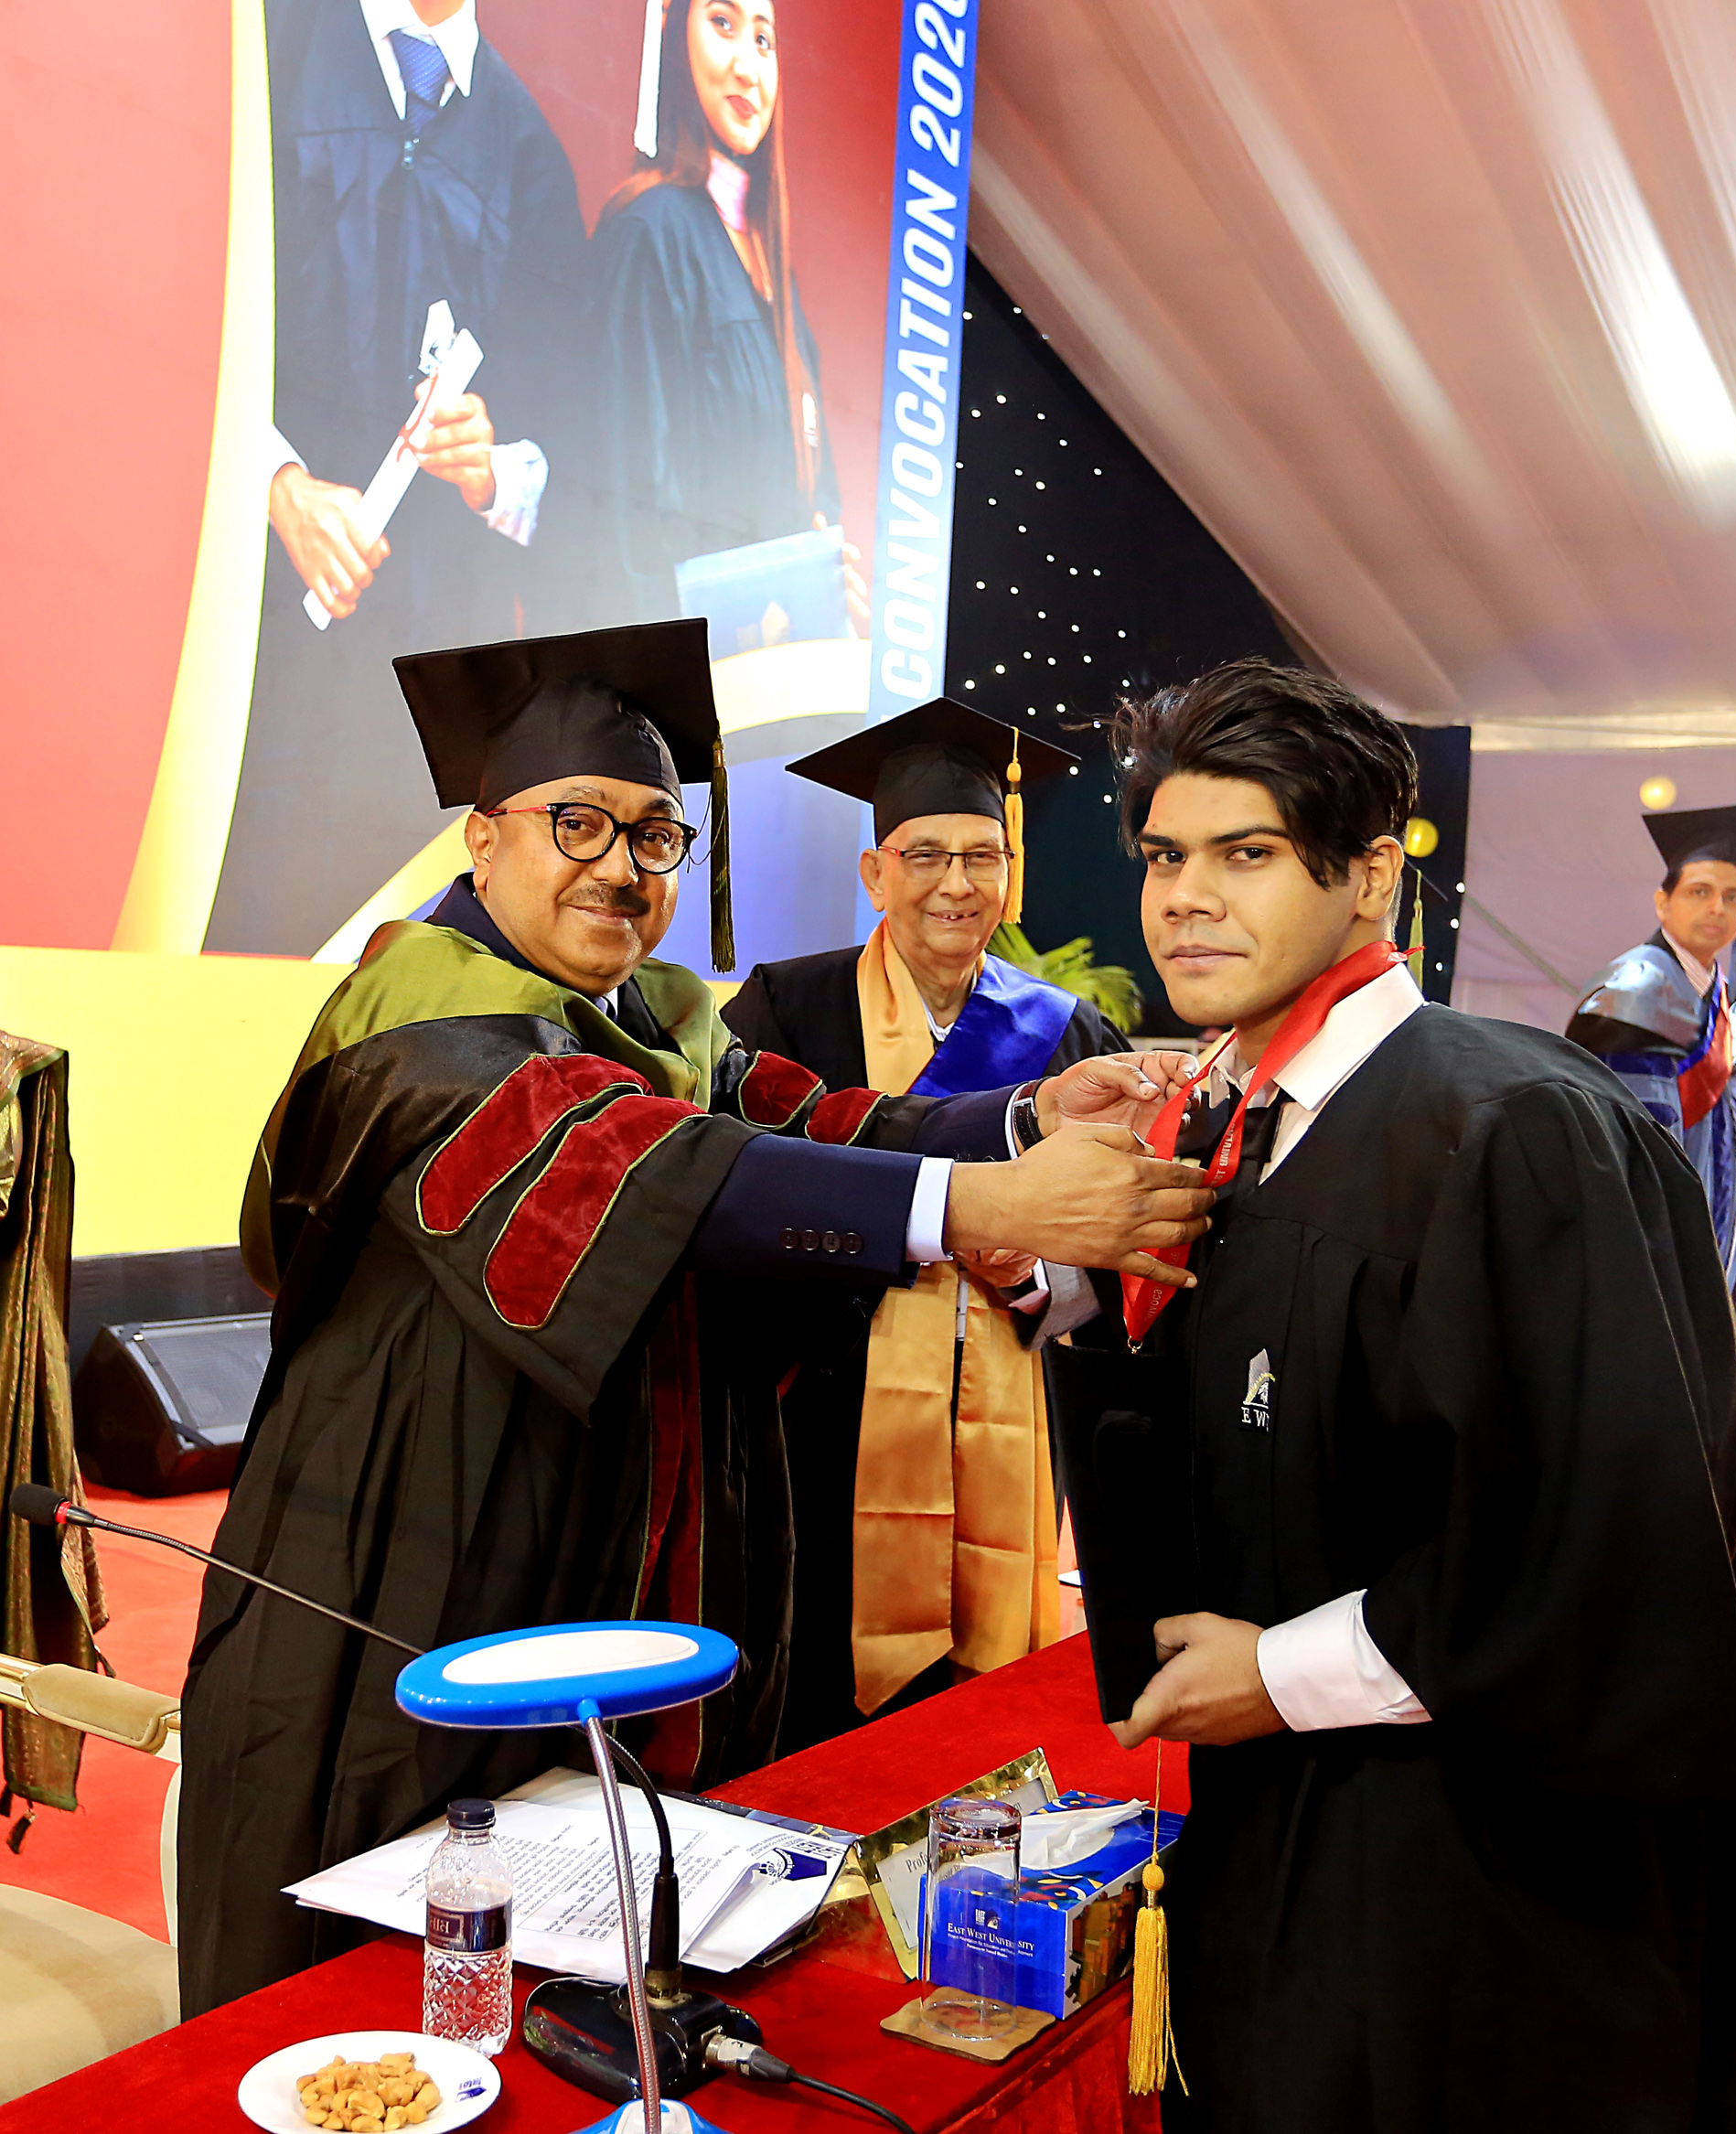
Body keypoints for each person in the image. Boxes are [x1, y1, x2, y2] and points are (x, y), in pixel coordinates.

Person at [177, 619, 1210, 2016]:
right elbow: (662, 1171)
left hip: (591, 1528)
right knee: (402, 1923)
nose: (619, 864)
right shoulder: (420, 1020)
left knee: (585, 1906)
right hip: (414, 1539)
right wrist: (989, 1205)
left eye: (654, 835)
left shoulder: (657, 1018)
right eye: (577, 823)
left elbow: (822, 1121)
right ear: (482, 839)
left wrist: (1025, 1113)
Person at [1055, 660, 1736, 2133]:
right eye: (1164, 857)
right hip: (1279, 1825)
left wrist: (1281, 1674)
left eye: (1244, 853)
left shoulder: (1516, 1126)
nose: (1183, 900)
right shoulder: (1240, 1127)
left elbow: (1614, 1536)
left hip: (1483, 1870)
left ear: (1368, 878)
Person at [723, 702, 1122, 1750]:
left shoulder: (1068, 1033)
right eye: (926, 855)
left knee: (977, 1723)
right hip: (827, 1419)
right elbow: (731, 1195)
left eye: (981, 855)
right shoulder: (786, 1009)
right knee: (819, 1700)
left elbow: (1118, 1226)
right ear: (875, 873)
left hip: (1012, 1408)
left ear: (1010, 872)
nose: (956, 882)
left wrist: (1033, 1263)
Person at [209, 0, 591, 958]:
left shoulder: (529, 154)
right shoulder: (270, 47)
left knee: (384, 978)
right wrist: (275, 482)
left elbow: (575, 450)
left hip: (420, 697)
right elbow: (174, 311)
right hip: (242, 646)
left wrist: (492, 466)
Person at [588, 0, 863, 629]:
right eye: (722, 24)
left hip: (774, 669)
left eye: (764, 41)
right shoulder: (649, 231)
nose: (748, 66)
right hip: (686, 666)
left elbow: (816, 496)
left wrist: (823, 579)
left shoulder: (775, 275)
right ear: (675, 41)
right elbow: (631, 511)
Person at [1567, 803, 1736, 1291]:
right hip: (1647, 1253)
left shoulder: (1721, 998)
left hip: (1709, 1243)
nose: (1718, 908)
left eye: (1733, 897)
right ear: (1662, 902)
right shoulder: (1634, 993)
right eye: (1700, 891)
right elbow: (1629, 1149)